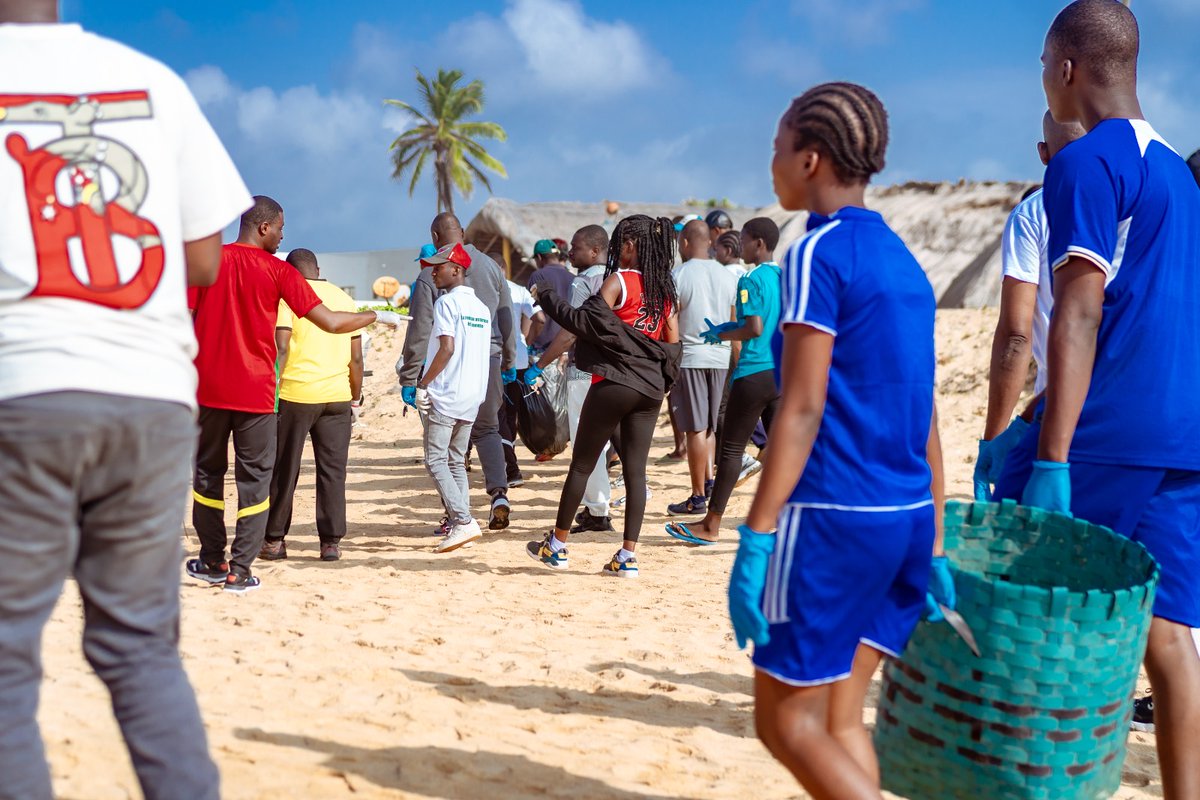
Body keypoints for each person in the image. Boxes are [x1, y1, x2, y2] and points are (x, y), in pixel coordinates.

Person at [0, 3, 251, 795]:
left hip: (23, 389)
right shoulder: (153, 81)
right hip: (151, 396)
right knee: (140, 647)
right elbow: (205, 258)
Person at [993, 4, 1200, 796]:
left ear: (1067, 68)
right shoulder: (1180, 174)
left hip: (1107, 430)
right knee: (1169, 633)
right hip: (1184, 434)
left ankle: (1037, 781)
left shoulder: (1082, 165)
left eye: (1045, 64)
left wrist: (1050, 455)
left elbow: (1077, 310)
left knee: (1037, 619)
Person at [729, 82, 949, 798]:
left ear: (812, 158)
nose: (771, 161)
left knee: (785, 724)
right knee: (841, 718)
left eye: (778, 146)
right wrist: (938, 535)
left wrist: (756, 538)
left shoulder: (814, 253)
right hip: (907, 519)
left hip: (835, 518)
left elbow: (800, 408)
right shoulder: (901, 259)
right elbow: (927, 410)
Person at [188, 196, 397, 593]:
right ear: (264, 227)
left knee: (207, 476)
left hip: (209, 390)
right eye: (281, 227)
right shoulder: (278, 272)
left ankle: (212, 558)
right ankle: (239, 569)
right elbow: (333, 322)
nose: (284, 235)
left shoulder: (207, 260)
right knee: (254, 480)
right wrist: (377, 316)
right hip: (256, 394)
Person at [527, 215, 682, 578]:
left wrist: (546, 297)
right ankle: (627, 557)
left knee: (582, 463)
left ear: (629, 246)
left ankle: (557, 546)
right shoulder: (666, 291)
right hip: (649, 391)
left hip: (613, 383)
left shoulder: (620, 280)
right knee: (635, 473)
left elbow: (584, 322)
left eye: (618, 245)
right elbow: (673, 347)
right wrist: (661, 382)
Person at [973, 112, 1085, 500]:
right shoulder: (1136, 202)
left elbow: (1017, 336)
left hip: (1057, 408)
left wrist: (994, 439)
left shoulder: (1033, 214)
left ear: (1043, 153)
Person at [667, 217, 782, 544]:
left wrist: (720, 332)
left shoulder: (750, 280)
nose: (737, 246)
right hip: (781, 373)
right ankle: (782, 520)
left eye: (744, 240)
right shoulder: (785, 278)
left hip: (753, 371)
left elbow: (753, 328)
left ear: (758, 243)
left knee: (731, 451)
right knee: (778, 449)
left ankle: (711, 524)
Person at [398, 213, 517, 530]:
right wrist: (509, 361)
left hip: (448, 369)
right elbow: (507, 319)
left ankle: (456, 516)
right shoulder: (492, 267)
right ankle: (499, 495)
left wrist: (412, 379)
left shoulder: (431, 274)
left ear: (435, 236)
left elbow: (421, 332)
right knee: (488, 429)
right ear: (463, 233)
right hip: (487, 360)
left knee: (447, 449)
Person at [260, 249, 363, 563]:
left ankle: (275, 541)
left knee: (285, 470)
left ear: (290, 273)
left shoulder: (288, 297)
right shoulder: (345, 300)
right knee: (333, 472)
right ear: (318, 269)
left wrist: (271, 393)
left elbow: (281, 348)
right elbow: (357, 358)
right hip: (337, 396)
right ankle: (330, 543)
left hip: (296, 394)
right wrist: (355, 396)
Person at [526, 225, 616, 532]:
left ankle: (598, 512)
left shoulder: (584, 281)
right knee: (606, 445)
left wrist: (540, 364)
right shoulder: (618, 278)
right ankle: (603, 506)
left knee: (585, 446)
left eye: (575, 248)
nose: (570, 254)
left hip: (585, 373)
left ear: (594, 250)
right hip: (615, 371)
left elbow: (570, 332)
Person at [416, 243, 492, 553]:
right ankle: (464, 524)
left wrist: (423, 384)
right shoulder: (481, 308)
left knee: (436, 460)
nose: (433, 272)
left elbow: (446, 349)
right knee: (456, 461)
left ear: (457, 271)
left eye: (439, 267)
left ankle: (462, 521)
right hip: (473, 394)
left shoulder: (447, 303)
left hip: (447, 394)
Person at [666, 219, 738, 516]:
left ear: (683, 243)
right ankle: (707, 481)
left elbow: (671, 321)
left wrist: (669, 360)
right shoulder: (728, 275)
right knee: (708, 425)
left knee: (696, 428)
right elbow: (735, 323)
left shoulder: (678, 275)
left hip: (692, 356)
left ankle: (697, 497)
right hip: (720, 357)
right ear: (709, 241)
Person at [501, 268, 536, 486]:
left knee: (496, 415)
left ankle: (509, 467)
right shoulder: (519, 290)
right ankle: (510, 458)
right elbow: (539, 317)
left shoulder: (480, 287)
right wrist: (526, 339)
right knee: (511, 413)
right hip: (519, 360)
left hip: (492, 360)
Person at [525, 238, 575, 356]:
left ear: (539, 257)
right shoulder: (573, 278)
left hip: (542, 350)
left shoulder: (538, 276)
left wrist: (526, 343)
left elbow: (534, 314)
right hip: (566, 349)